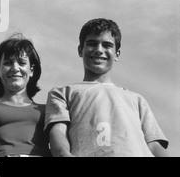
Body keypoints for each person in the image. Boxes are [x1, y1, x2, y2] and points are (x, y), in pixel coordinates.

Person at [44, 18, 169, 157]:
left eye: (107, 45)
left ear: (117, 54)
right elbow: (58, 133)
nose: (98, 50)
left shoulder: (137, 100)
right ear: (80, 50)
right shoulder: (62, 93)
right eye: (92, 44)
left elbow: (154, 145)